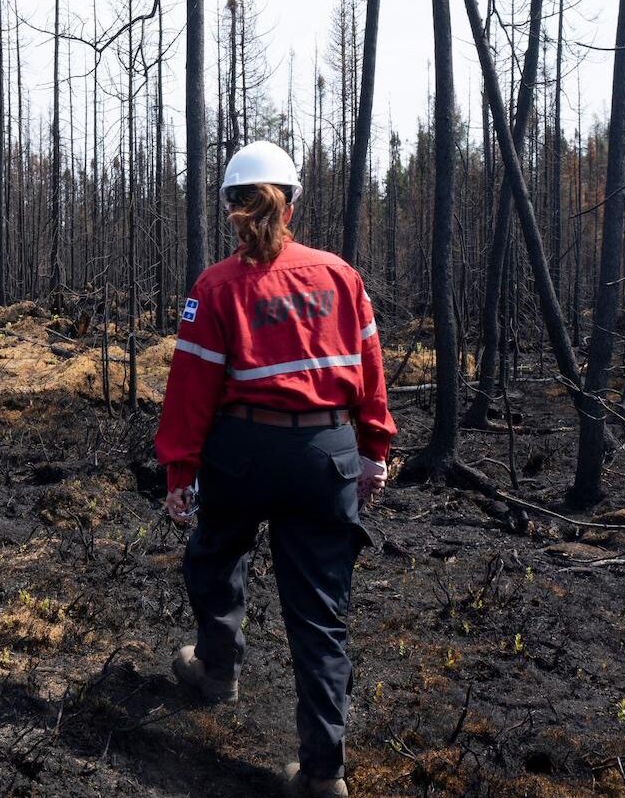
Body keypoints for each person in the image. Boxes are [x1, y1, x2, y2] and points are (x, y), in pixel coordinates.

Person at [154, 140, 395, 798]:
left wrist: (180, 472)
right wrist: (374, 451)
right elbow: (369, 376)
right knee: (320, 615)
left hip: (243, 453)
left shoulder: (216, 286)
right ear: (293, 203)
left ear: (232, 205)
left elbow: (191, 389)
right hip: (326, 455)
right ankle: (323, 775)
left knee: (215, 551)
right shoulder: (341, 277)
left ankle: (216, 668)